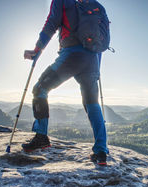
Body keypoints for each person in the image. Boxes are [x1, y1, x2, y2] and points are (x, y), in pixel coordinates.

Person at [22, 0, 109, 166]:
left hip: (71, 55)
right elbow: (102, 39)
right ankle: (101, 151)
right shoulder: (96, 6)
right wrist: (96, 68)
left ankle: (41, 137)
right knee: (92, 104)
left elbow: (51, 25)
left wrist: (36, 51)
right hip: (92, 59)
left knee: (40, 89)